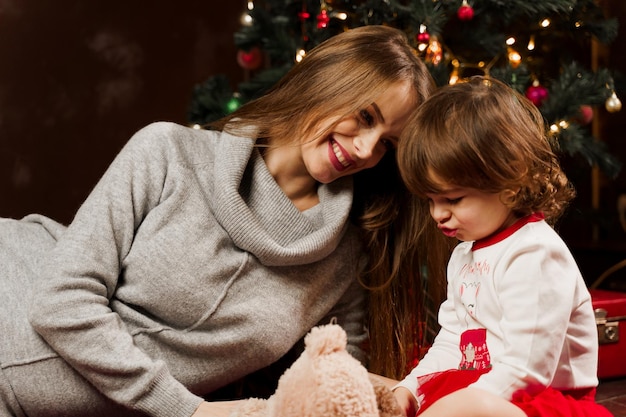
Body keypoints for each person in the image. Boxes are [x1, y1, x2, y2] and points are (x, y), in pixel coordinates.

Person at [0, 25, 448, 417]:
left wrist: (406, 393)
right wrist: (188, 410)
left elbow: (333, 382)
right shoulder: (166, 152)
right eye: (365, 116)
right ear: (326, 83)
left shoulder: (342, 258)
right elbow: (61, 302)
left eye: (388, 144)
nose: (367, 150)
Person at [393, 76, 613, 417]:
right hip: (483, 386)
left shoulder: (535, 253)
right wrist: (411, 388)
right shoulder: (465, 254)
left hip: (542, 399)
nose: (437, 214)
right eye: (430, 200)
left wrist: (460, 406)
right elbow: (454, 340)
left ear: (509, 183)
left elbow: (527, 370)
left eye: (452, 199)